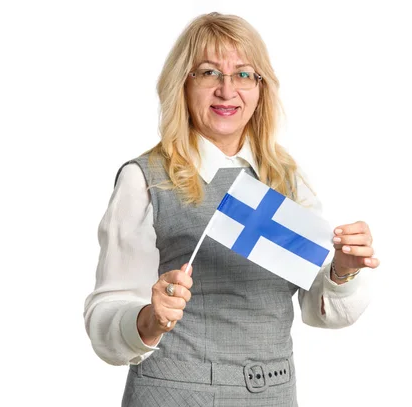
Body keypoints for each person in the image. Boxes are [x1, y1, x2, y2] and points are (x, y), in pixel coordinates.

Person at [83, 12, 380, 407]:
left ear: (261, 89)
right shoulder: (145, 179)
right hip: (173, 394)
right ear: (183, 84)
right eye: (208, 73)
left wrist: (343, 270)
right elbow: (106, 314)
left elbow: (321, 310)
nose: (227, 90)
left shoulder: (288, 180)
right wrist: (149, 320)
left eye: (243, 74)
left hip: (273, 394)